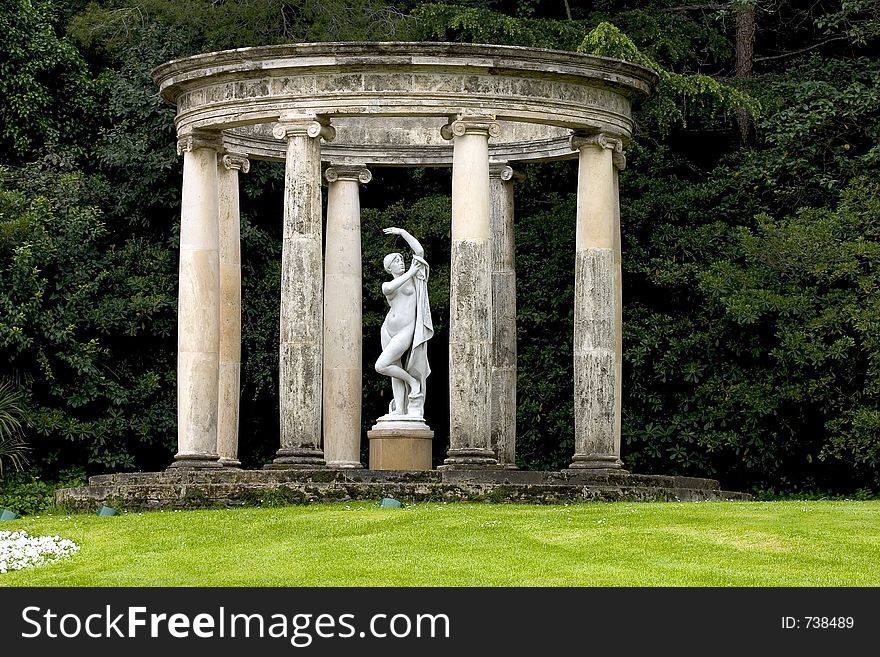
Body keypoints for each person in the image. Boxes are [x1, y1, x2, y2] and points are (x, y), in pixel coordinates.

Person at [375, 227, 433, 418]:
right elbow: (389, 288)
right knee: (393, 370)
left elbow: (420, 252)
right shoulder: (389, 284)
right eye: (396, 261)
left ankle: (413, 383)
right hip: (388, 330)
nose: (401, 263)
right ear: (389, 268)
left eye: (401, 260)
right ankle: (400, 409)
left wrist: (402, 233)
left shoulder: (415, 278)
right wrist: (410, 272)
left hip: (405, 331)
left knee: (381, 365)